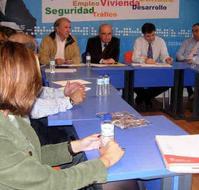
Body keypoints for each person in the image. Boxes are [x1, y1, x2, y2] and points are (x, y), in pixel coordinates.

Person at [0, 41, 135, 190]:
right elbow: (49, 183)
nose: (36, 89)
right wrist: (105, 161)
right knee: (120, 184)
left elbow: (32, 157)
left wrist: (76, 146)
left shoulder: (12, 116)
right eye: (33, 82)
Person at [132, 23, 173, 108]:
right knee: (131, 81)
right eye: (148, 36)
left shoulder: (160, 41)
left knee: (167, 83)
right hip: (141, 72)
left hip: (155, 71)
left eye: (153, 35)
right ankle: (147, 98)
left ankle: (143, 97)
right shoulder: (138, 41)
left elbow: (164, 55)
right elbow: (135, 58)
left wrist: (167, 59)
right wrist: (145, 60)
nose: (151, 38)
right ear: (143, 35)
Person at [176, 23, 199, 98]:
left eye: (196, 31)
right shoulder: (187, 42)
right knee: (181, 73)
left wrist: (194, 61)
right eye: (193, 31)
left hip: (198, 66)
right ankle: (190, 93)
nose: (194, 33)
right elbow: (178, 54)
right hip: (185, 64)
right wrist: (185, 60)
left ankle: (195, 95)